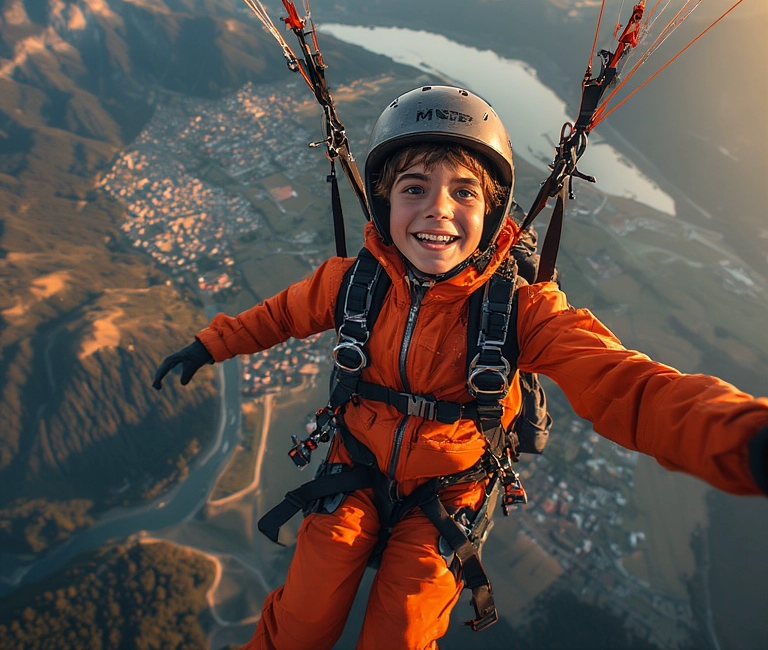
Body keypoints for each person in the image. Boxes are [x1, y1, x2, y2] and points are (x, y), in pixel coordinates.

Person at [153, 85, 768, 650]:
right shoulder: (355, 284)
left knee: (402, 630)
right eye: (414, 187)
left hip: (449, 496)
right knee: (302, 620)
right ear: (386, 202)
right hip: (354, 471)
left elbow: (622, 383)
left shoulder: (520, 310)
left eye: (463, 192)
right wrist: (211, 345)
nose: (437, 210)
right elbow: (280, 315)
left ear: (493, 212)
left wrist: (741, 438)